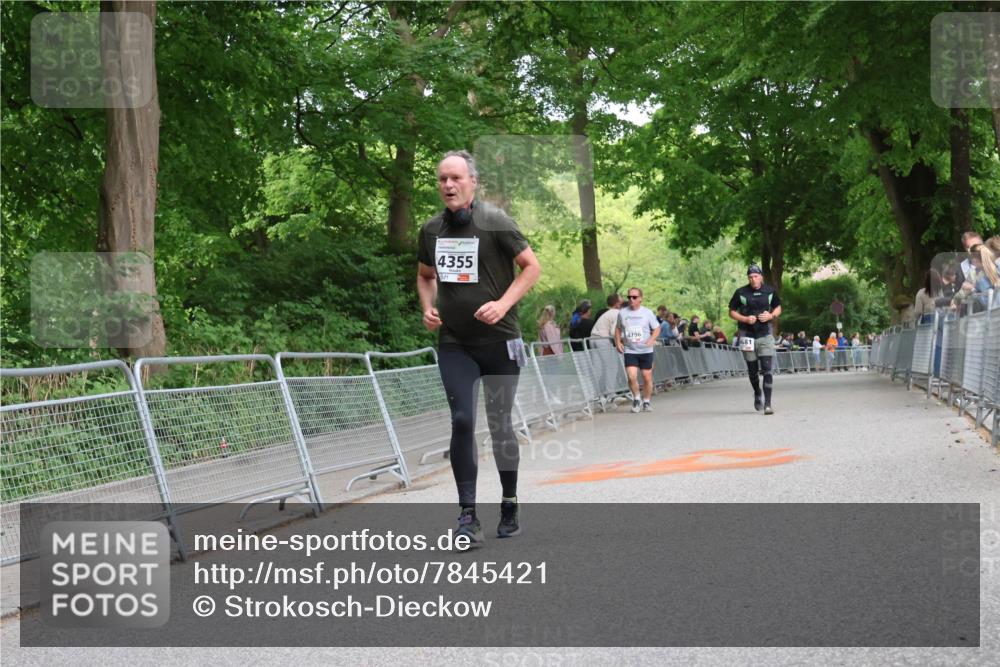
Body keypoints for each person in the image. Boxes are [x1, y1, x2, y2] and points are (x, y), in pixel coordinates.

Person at [416, 149, 541, 546]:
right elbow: (424, 276)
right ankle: (467, 516)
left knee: (500, 424)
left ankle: (509, 501)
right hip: (456, 342)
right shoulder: (431, 230)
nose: (448, 185)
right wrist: (427, 308)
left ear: (473, 182)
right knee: (463, 420)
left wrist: (503, 304)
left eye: (455, 178)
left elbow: (532, 268)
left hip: (500, 341)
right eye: (442, 179)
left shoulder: (495, 222)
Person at [728, 265, 782, 415]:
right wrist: (745, 318)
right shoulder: (741, 292)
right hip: (747, 335)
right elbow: (731, 312)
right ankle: (757, 392)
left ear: (761, 277)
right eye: (750, 277)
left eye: (756, 276)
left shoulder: (769, 291)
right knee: (752, 371)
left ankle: (768, 404)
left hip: (765, 334)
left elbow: (778, 307)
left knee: (767, 369)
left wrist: (771, 316)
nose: (753, 279)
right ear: (748, 278)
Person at [615, 287, 660, 413]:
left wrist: (652, 339)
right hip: (630, 350)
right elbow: (618, 329)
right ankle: (636, 398)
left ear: (640, 298)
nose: (631, 299)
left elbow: (657, 328)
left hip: (646, 350)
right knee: (632, 376)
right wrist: (617, 342)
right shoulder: (622, 312)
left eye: (634, 297)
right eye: (629, 297)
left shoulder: (647, 313)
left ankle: (646, 401)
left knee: (646, 377)